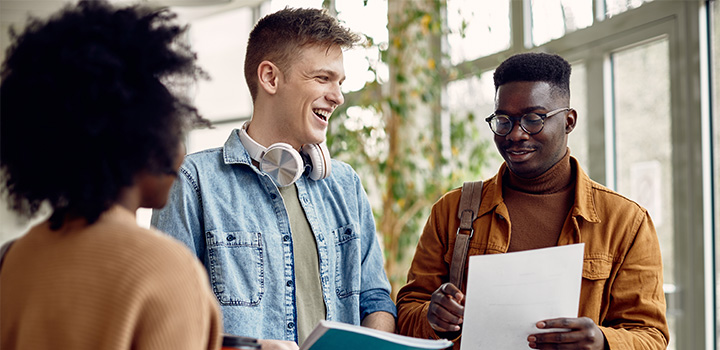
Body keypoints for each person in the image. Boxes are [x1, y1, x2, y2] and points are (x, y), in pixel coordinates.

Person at [151, 7, 397, 349]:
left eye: (339, 82)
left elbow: (375, 300)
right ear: (270, 78)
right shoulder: (194, 182)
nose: (338, 96)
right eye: (323, 78)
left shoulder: (344, 184)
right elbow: (169, 322)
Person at [396, 52, 669, 350]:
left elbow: (650, 335)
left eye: (533, 119)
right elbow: (407, 313)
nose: (515, 134)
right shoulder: (453, 211)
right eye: (503, 120)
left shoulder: (626, 222)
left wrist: (603, 342)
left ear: (568, 121)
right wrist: (431, 317)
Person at [0, 1, 223, 349]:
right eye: (173, 130)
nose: (180, 152)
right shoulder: (166, 269)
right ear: (144, 143)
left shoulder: (17, 258)